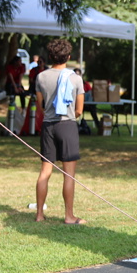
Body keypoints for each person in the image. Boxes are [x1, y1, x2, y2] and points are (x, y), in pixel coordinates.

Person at [34, 38, 85, 225]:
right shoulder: (75, 78)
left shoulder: (41, 77)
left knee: (45, 172)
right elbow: (79, 110)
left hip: (48, 126)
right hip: (67, 126)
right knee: (68, 174)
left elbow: (40, 104)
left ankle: (39, 215)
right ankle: (69, 216)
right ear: (68, 57)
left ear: (50, 56)